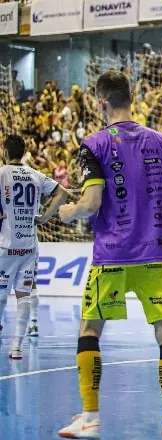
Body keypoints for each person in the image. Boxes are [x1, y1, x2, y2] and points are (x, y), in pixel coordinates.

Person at [56, 70, 162, 440]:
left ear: (100, 101)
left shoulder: (94, 144)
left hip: (112, 255)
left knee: (90, 330)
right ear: (131, 96)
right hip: (157, 255)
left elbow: (91, 203)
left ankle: (89, 418)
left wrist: (68, 211)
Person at [0, 134, 69, 360]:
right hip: (29, 244)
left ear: (5, 151)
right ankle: (17, 348)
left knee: (1, 294)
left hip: (6, 244)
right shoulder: (34, 174)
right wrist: (46, 216)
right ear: (23, 152)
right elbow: (63, 193)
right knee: (24, 295)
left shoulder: (2, 173)